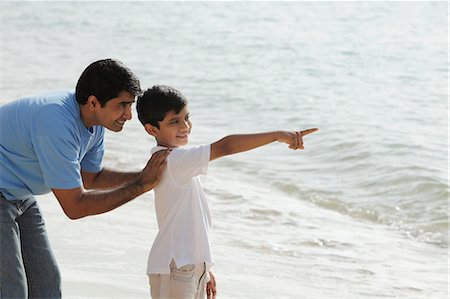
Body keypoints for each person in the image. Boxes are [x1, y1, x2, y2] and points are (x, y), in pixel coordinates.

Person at [0, 59, 170, 299]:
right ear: (93, 102)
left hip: (19, 194)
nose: (129, 115)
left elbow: (90, 177)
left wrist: (147, 176)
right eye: (122, 105)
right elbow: (75, 206)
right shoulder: (55, 123)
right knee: (11, 290)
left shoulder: (95, 121)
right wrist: (141, 185)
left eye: (130, 105)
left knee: (47, 285)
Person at [136, 85, 318, 299]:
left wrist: (203, 268)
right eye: (174, 121)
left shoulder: (175, 160)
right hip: (175, 268)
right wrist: (278, 135)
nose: (185, 126)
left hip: (187, 265)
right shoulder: (174, 160)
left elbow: (183, 220)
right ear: (151, 129)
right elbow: (225, 146)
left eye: (187, 117)